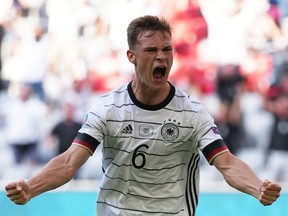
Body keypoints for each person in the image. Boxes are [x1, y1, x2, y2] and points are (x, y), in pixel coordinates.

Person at [5, 15, 281, 216]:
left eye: (167, 49)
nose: (161, 57)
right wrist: (31, 187)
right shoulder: (107, 108)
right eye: (151, 50)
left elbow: (227, 163)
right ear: (131, 56)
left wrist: (257, 187)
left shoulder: (192, 113)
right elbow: (68, 163)